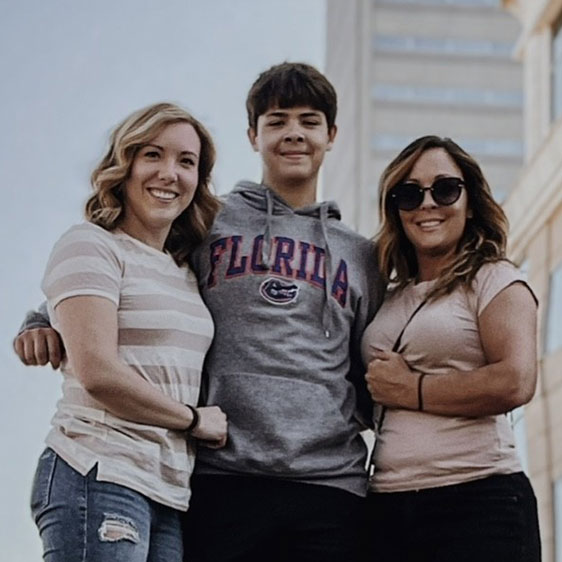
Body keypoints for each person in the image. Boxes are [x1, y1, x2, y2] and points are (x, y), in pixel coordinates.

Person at [14, 63, 383, 562]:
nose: (293, 133)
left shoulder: (359, 255)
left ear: (331, 134)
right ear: (253, 135)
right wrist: (42, 319)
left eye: (308, 120)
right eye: (276, 120)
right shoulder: (209, 221)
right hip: (219, 475)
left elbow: (368, 366)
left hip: (329, 484)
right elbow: (127, 266)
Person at [20, 102, 228, 562]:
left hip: (167, 490)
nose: (169, 173)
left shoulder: (184, 270)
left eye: (186, 162)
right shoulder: (91, 243)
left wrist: (40, 318)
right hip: (98, 469)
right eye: (152, 155)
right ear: (125, 163)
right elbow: (98, 373)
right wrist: (194, 420)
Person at [362, 135, 541, 561]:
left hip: (478, 501)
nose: (427, 204)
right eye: (409, 194)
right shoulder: (389, 296)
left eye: (444, 189)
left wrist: (412, 390)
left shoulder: (495, 279)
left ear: (471, 201)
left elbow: (515, 381)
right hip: (387, 506)